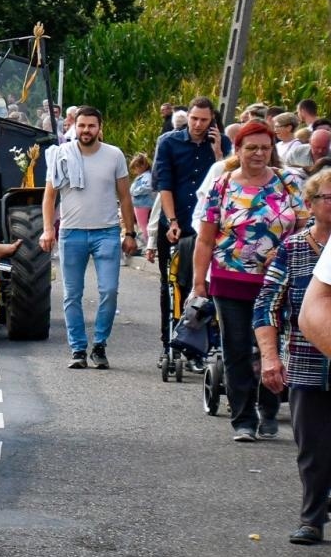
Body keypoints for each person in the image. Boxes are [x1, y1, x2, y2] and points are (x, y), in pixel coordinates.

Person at [192, 121, 307, 441]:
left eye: (265, 148)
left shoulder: (289, 183)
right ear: (237, 150)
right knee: (237, 348)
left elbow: (303, 229)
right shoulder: (222, 185)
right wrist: (199, 284)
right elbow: (204, 240)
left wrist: (284, 252)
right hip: (229, 281)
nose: (259, 153)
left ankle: (269, 409)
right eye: (252, 147)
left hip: (276, 283)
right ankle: (243, 419)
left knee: (270, 348)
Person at [255, 166, 331, 543]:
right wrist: (270, 357)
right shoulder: (295, 248)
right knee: (313, 449)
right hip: (307, 363)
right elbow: (267, 304)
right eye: (328, 197)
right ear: (311, 204)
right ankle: (312, 519)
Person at [41, 106, 137, 369]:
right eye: (82, 126)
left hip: (106, 233)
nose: (86, 131)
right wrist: (48, 229)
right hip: (72, 234)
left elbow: (125, 197)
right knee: (72, 295)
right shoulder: (63, 155)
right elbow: (49, 196)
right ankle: (78, 349)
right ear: (75, 128)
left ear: (99, 128)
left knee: (109, 290)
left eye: (91, 126)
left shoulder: (114, 155)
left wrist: (129, 233)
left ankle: (100, 344)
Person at [153, 96, 230, 357]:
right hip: (176, 222)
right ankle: (170, 341)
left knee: (206, 286)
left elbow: (228, 179)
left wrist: (219, 153)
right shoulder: (169, 142)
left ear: (213, 122)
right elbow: (164, 183)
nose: (197, 124)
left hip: (208, 228)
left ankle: (203, 344)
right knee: (172, 283)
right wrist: (172, 221)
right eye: (194, 119)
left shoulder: (222, 144)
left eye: (204, 120)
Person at [129, 152, 154, 234]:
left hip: (142, 204)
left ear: (143, 166)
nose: (135, 170)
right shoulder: (141, 176)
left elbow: (147, 187)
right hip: (140, 204)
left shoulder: (147, 176)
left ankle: (148, 243)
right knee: (143, 225)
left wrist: (134, 192)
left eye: (136, 167)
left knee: (143, 226)